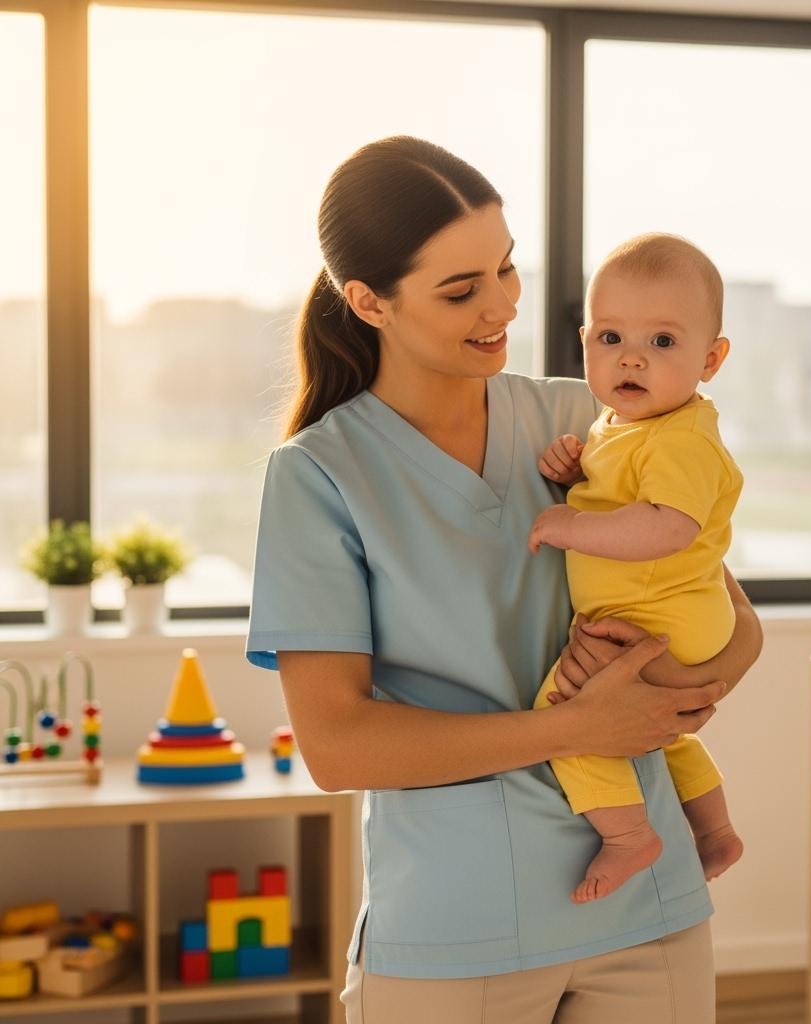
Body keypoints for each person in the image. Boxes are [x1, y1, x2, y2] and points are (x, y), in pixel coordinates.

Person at [245, 136, 762, 1024]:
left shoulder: (592, 416)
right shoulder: (319, 476)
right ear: (368, 301)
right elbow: (337, 747)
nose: (502, 306)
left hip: (649, 910)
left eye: (507, 269)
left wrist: (662, 695)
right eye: (461, 289)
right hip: (456, 925)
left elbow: (734, 626)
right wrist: (578, 724)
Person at [529, 233, 745, 905]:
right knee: (659, 733)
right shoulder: (625, 423)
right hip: (663, 617)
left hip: (664, 617)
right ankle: (715, 831)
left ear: (710, 360)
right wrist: (576, 474)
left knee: (568, 713)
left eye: (662, 343)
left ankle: (628, 838)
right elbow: (621, 487)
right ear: (585, 339)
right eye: (611, 337)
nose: (631, 357)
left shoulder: (681, 437)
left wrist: (572, 524)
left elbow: (667, 525)